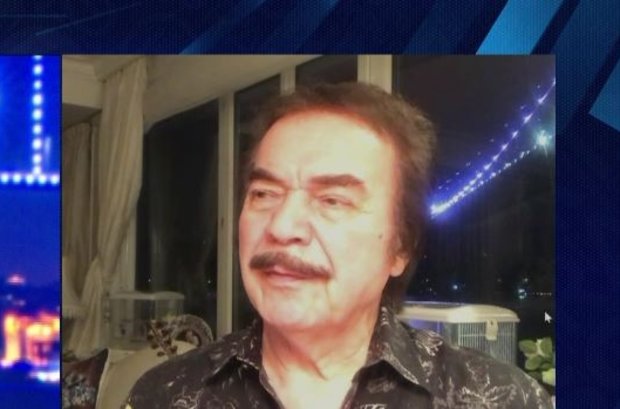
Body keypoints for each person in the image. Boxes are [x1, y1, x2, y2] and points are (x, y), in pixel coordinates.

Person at [124, 82, 553, 409]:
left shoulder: (500, 398)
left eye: (332, 200)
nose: (282, 226)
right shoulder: (164, 394)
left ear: (400, 247)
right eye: (264, 194)